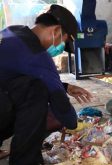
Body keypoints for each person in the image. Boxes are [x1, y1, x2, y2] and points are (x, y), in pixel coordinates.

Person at [0, 5, 93, 164]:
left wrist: (66, 87)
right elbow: (62, 106)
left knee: (27, 89)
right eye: (63, 42)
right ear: (56, 31)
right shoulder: (36, 54)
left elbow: (16, 77)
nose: (61, 48)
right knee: (37, 93)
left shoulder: (14, 31)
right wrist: (73, 123)